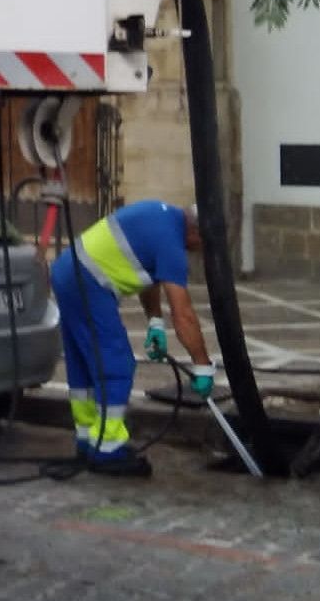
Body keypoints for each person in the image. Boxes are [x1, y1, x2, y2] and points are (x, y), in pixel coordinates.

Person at [50, 200, 215, 477]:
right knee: (116, 364)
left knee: (85, 365)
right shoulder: (172, 243)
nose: (201, 251)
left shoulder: (162, 217)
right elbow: (183, 313)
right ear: (196, 233)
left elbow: (147, 275)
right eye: (204, 245)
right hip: (89, 283)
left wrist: (154, 322)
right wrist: (202, 365)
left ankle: (88, 438)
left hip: (67, 273)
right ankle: (108, 449)